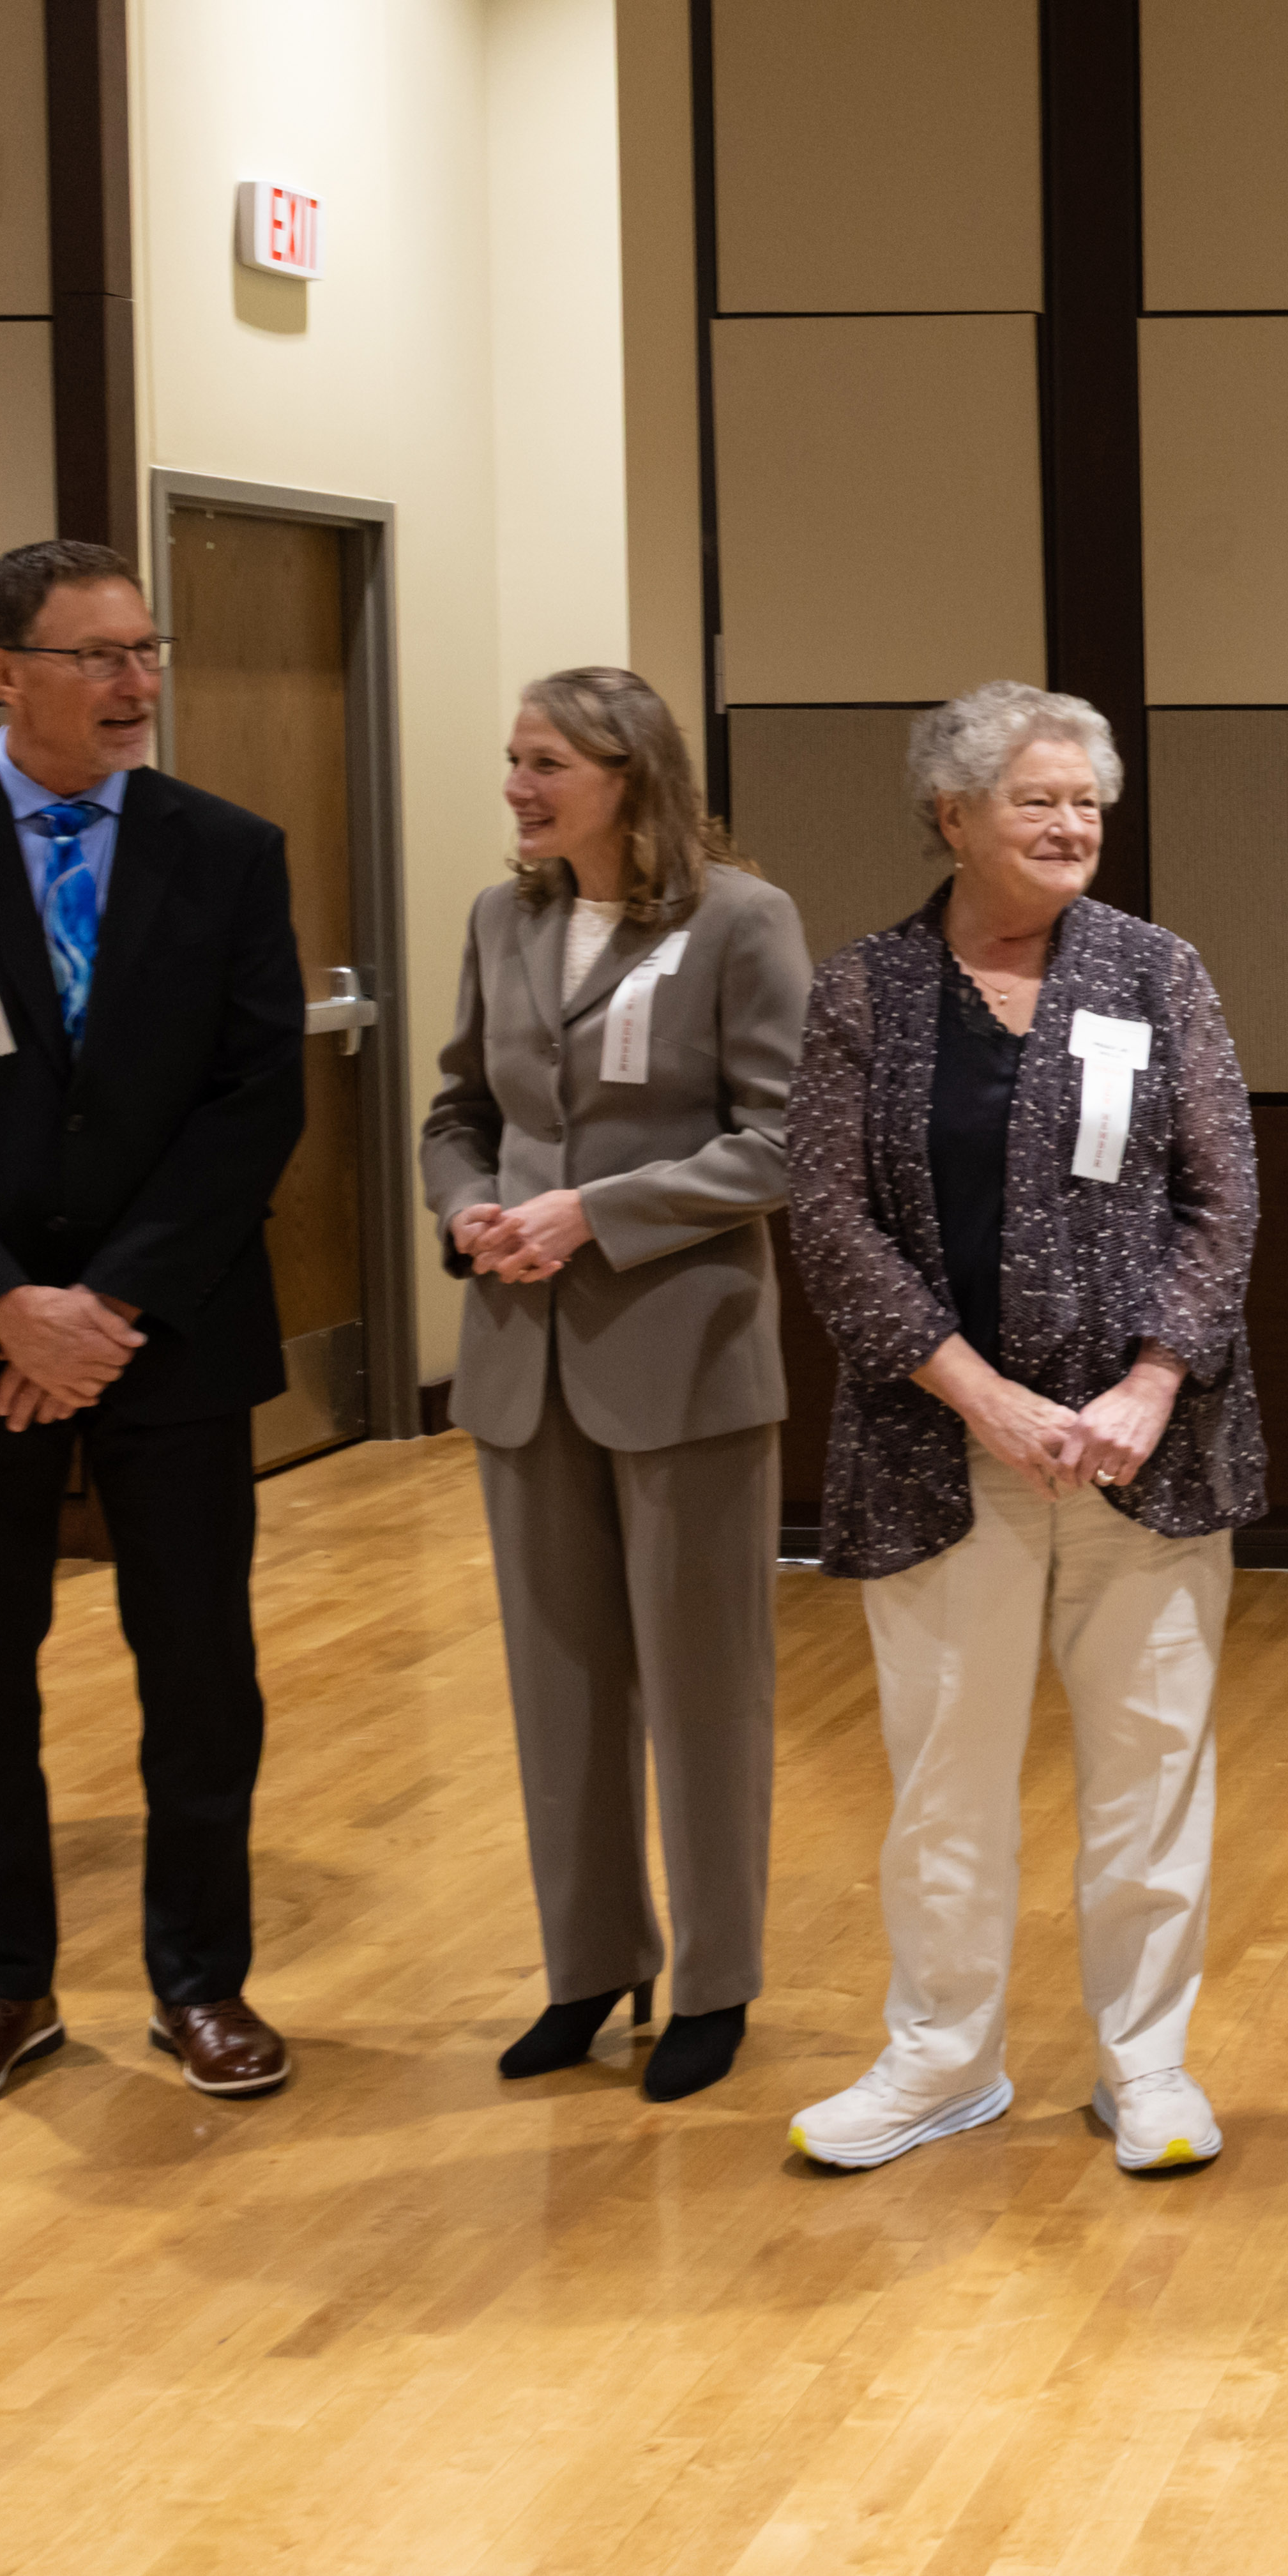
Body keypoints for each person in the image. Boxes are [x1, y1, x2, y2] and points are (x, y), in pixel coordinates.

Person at [0, 538, 306, 2128]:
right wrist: (5, 1300)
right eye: (96, 654)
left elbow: (255, 1099)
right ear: (0, 671)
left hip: (172, 1330)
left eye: (144, 650)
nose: (134, 683)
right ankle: (0, 1982)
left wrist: (113, 1303)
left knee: (200, 1667)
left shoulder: (226, 848)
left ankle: (201, 1980)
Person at [779, 681, 1261, 2176]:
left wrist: (1148, 1381)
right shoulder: (865, 988)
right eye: (1037, 801)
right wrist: (975, 1390)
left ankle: (1148, 2062)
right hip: (940, 1448)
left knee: (1150, 1761)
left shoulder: (1154, 971)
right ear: (952, 814)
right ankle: (940, 2056)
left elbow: (1222, 1192)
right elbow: (825, 1210)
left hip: (1142, 1451)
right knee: (944, 1773)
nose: (1069, 828)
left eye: (1086, 805)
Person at [423, 667, 809, 2103]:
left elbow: (784, 1141)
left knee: (706, 1688)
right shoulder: (498, 914)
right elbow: (458, 1112)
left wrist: (598, 1211)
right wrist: (466, 1206)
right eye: (513, 760)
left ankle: (714, 1979)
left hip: (686, 1357)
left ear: (630, 776)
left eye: (547, 763)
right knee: (559, 1685)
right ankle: (589, 1964)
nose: (519, 787)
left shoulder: (739, 921)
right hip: (521, 1365)